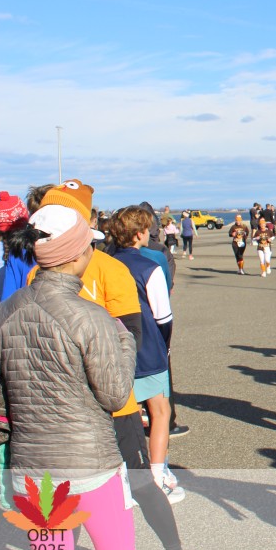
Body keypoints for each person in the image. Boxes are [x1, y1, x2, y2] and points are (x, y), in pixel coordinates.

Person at [0, 204, 139, 550]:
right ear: (77, 254)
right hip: (91, 465)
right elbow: (115, 395)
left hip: (31, 467)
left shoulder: (3, 312)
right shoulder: (90, 316)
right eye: (90, 245)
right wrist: (126, 343)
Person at [110, 206, 184, 502]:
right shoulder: (149, 266)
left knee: (122, 416)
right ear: (141, 233)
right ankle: (157, 475)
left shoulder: (104, 263)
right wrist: (165, 346)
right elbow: (163, 316)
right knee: (160, 411)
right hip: (147, 346)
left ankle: (124, 477)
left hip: (111, 347)